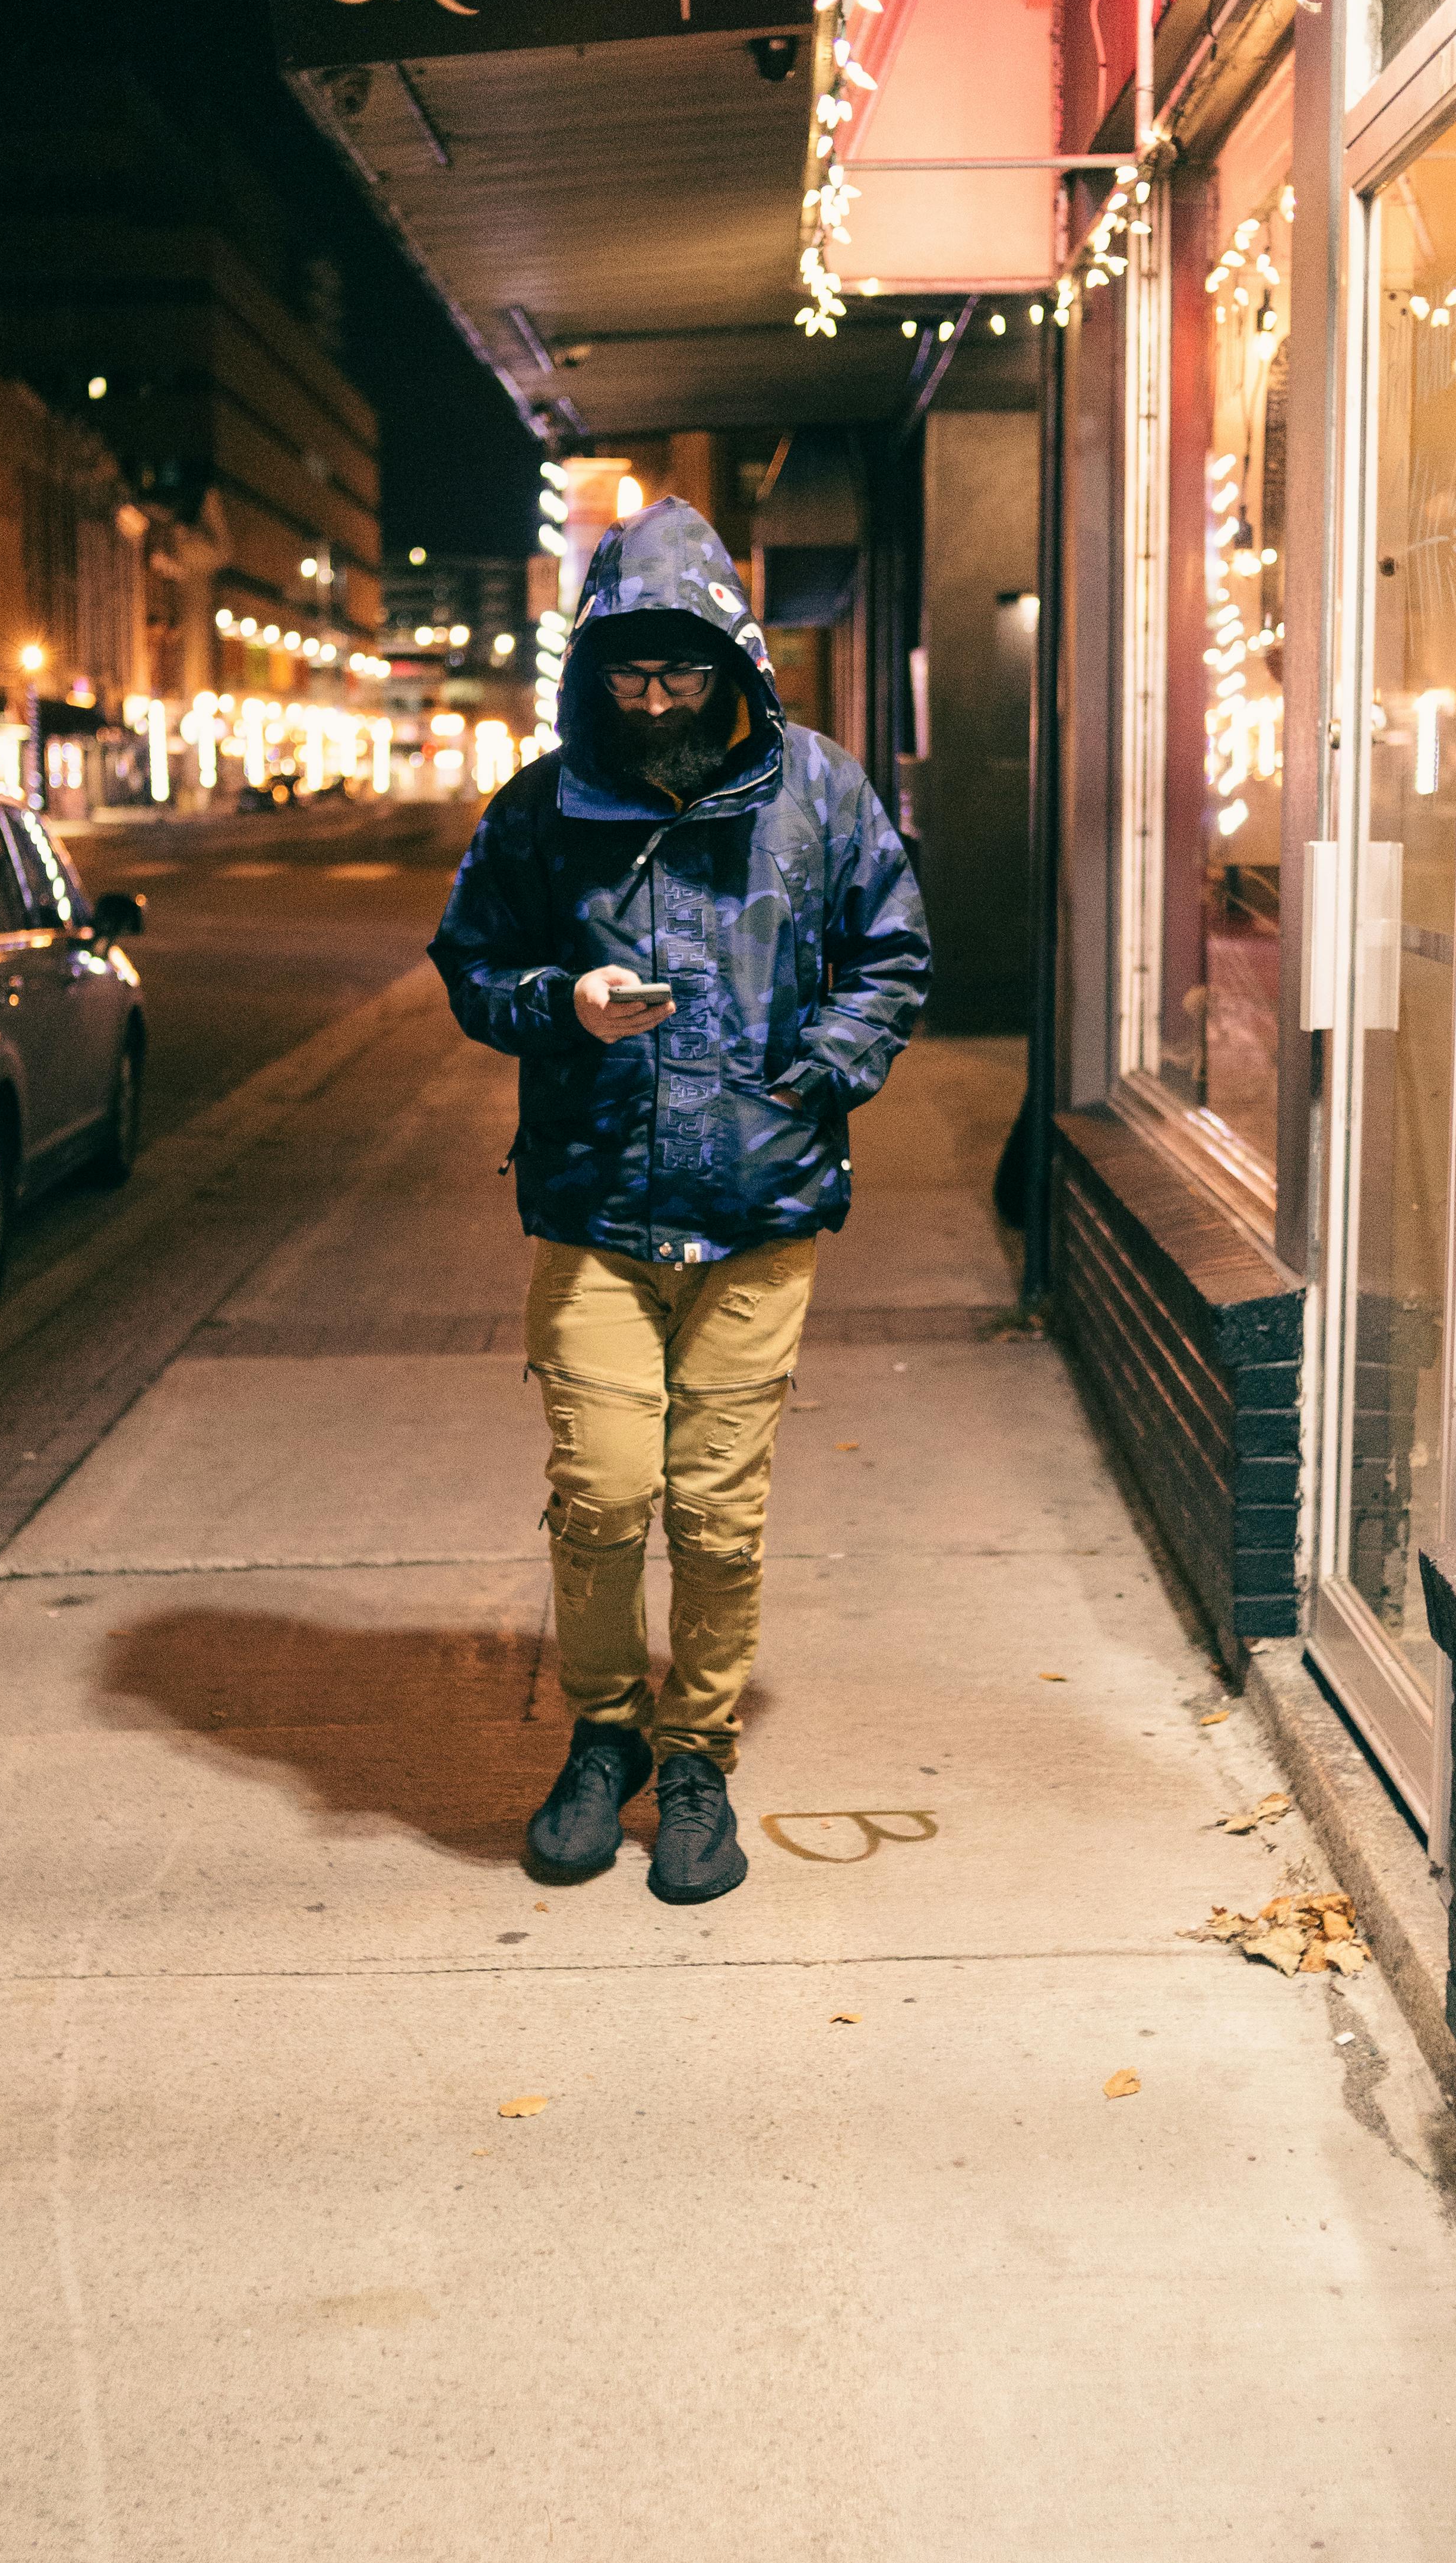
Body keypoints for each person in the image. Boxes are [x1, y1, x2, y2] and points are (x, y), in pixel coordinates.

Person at [430, 497, 929, 1903]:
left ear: (733, 666)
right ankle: (605, 1735)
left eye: (682, 671)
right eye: (631, 674)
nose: (656, 699)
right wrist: (557, 1002)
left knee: (715, 1514)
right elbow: (470, 963)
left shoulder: (818, 795)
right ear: (593, 672)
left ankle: (694, 1749)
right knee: (599, 1491)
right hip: (592, 1207)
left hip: (756, 1213)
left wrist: (817, 1074)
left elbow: (890, 957)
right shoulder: (540, 810)